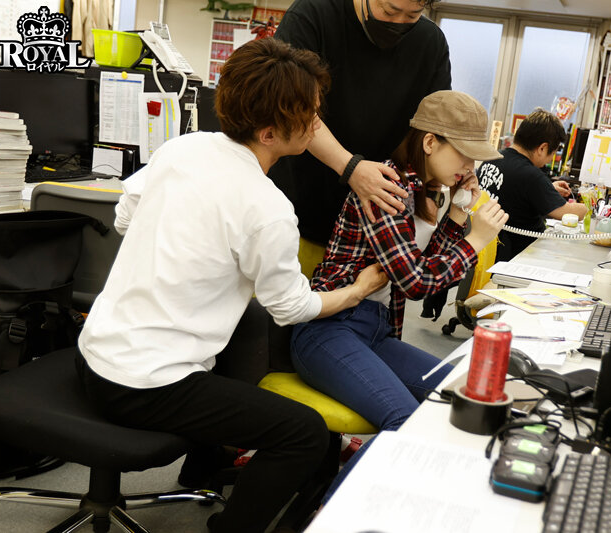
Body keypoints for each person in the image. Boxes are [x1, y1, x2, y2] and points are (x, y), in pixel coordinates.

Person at [75, 38, 387, 533]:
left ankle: (202, 466)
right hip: (145, 387)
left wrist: (188, 252)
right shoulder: (269, 209)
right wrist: (357, 290)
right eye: (310, 116)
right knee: (304, 433)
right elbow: (290, 307)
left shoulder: (184, 146)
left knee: (242, 329)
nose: (317, 124)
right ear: (269, 133)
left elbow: (124, 219)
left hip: (94, 353)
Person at [290, 90, 509, 499]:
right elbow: (415, 283)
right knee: (404, 418)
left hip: (373, 332)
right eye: (465, 155)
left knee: (462, 397)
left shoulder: (428, 191)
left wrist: (458, 213)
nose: (470, 167)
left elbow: (431, 267)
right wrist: (476, 240)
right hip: (328, 328)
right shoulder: (384, 186)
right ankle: (329, 516)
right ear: (430, 142)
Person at [271, 0, 452, 255]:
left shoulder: (430, 42)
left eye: (412, 15)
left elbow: (434, 128)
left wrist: (432, 193)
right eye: (389, 11)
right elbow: (293, 106)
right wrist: (351, 168)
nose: (398, 22)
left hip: (378, 230)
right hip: (299, 214)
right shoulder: (312, 15)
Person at [478, 108, 588, 263]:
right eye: (552, 153)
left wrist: (548, 188)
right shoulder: (530, 175)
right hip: (519, 258)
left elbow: (513, 192)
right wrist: (590, 207)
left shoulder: (492, 159)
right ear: (542, 148)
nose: (550, 160)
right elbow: (568, 213)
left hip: (488, 253)